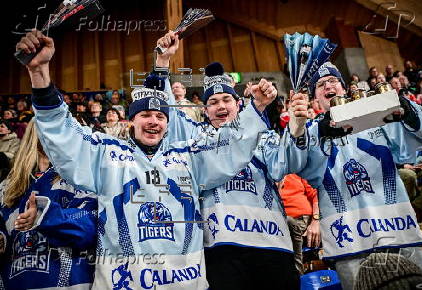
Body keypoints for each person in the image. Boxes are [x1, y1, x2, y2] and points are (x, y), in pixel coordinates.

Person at [17, 29, 277, 290]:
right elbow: (65, 134)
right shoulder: (106, 155)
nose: (154, 121)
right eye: (146, 115)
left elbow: (232, 142)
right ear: (132, 120)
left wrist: (258, 106)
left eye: (160, 116)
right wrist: (39, 73)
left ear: (168, 123)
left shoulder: (190, 155)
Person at [155, 31, 308, 289]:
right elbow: (165, 107)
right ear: (205, 110)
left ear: (239, 104)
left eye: (226, 99)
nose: (221, 106)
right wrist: (162, 63)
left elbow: (286, 163)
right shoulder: (194, 137)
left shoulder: (260, 134)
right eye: (213, 102)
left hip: (272, 244)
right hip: (220, 248)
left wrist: (297, 129)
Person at [295, 62, 422, 289]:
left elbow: (415, 140)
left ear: (344, 89)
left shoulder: (374, 118)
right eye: (320, 85)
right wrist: (319, 128)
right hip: (348, 235)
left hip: (395, 225)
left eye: (333, 81)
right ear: (315, 100)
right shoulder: (311, 132)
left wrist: (404, 109)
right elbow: (301, 165)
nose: (328, 86)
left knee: (418, 284)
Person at [0, 120, 97, 289]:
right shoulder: (8, 186)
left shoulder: (83, 178)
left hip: (70, 282)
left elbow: (91, 227)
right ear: (34, 133)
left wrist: (45, 215)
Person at [279, 173, 320, 274]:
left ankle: (298, 274)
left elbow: (315, 196)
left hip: (301, 219)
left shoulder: (297, 170)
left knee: (288, 222)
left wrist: (316, 221)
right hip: (277, 220)